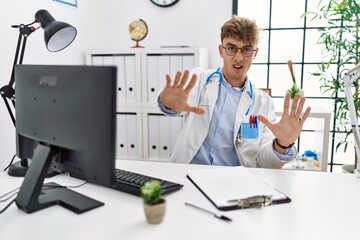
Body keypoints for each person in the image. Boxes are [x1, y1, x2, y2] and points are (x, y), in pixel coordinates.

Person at [157, 15, 311, 169]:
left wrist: (282, 144)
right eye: (231, 48)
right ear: (221, 51)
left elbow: (264, 162)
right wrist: (169, 103)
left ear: (255, 53)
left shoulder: (263, 103)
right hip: (189, 172)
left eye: (246, 49)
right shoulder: (199, 80)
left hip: (233, 181)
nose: (239, 58)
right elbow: (178, 103)